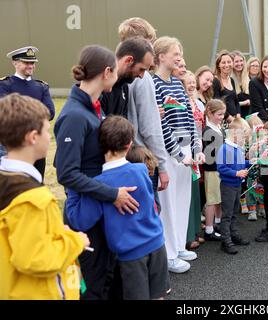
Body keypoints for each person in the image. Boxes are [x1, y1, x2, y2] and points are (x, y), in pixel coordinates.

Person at [54, 45, 139, 300]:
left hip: (100, 206)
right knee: (95, 284)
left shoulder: (93, 107)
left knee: (109, 277)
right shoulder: (75, 116)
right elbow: (66, 173)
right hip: (87, 213)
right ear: (107, 72)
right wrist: (113, 193)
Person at [66, 116, 168, 300]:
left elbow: (79, 220)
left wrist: (74, 185)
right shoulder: (141, 170)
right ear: (129, 144)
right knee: (158, 296)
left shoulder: (99, 186)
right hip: (157, 244)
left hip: (131, 254)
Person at [0, 93, 88, 300]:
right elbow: (35, 258)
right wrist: (75, 241)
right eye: (47, 131)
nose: (50, 137)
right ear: (32, 137)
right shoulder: (34, 198)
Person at [153, 36, 205, 273]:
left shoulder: (177, 83)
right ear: (161, 56)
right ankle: (169, 253)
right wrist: (176, 153)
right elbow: (160, 124)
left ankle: (179, 245)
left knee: (182, 200)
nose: (179, 57)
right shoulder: (154, 83)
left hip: (186, 151)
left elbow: (190, 120)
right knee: (169, 203)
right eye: (175, 53)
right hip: (169, 151)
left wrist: (196, 149)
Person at [119, 17, 170, 213]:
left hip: (124, 157)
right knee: (151, 216)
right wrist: (162, 166)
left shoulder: (118, 72)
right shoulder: (143, 77)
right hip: (143, 159)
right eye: (150, 41)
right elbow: (150, 127)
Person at [0, 46, 55, 177]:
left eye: (32, 63)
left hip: (36, 142)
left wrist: (21, 110)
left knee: (37, 181)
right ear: (15, 62)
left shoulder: (41, 86)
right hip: (11, 143)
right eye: (26, 62)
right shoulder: (5, 85)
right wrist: (37, 111)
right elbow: (6, 113)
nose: (30, 66)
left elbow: (50, 112)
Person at [216, 116, 251, 254]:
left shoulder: (237, 148)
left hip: (236, 185)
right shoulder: (225, 148)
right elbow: (221, 168)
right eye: (244, 137)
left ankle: (233, 234)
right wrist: (237, 173)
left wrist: (251, 161)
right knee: (227, 214)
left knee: (235, 211)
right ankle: (226, 240)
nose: (245, 140)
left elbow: (241, 164)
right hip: (228, 186)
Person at [100, 37, 154, 118]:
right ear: (128, 60)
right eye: (141, 69)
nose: (141, 76)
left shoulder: (124, 86)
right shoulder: (100, 84)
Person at [182, 70, 204, 250]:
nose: (190, 86)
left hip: (197, 150)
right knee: (186, 193)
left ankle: (196, 229)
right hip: (185, 151)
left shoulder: (198, 103)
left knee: (195, 193)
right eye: (186, 82)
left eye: (192, 83)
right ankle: (187, 235)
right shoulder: (181, 104)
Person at [202, 99, 226, 241]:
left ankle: (218, 223)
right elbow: (211, 154)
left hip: (220, 168)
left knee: (218, 198)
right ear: (209, 113)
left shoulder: (218, 127)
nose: (222, 117)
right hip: (212, 169)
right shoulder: (208, 130)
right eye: (219, 114)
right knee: (211, 200)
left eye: (223, 114)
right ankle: (209, 229)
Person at [246, 114, 266, 221]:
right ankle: (252, 210)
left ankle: (262, 208)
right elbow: (246, 156)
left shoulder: (265, 141)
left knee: (262, 188)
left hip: (262, 170)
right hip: (252, 171)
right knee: (251, 189)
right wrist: (253, 149)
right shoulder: (248, 142)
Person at [213, 50, 241, 123]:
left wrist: (238, 115)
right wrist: (229, 118)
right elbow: (217, 105)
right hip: (223, 121)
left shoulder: (231, 80)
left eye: (229, 62)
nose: (227, 65)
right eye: (223, 62)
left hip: (234, 121)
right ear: (218, 65)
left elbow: (236, 101)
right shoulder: (216, 81)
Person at [231, 51, 251, 118]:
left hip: (249, 117)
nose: (239, 63)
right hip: (236, 118)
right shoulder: (229, 80)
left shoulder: (249, 78)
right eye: (236, 61)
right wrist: (244, 103)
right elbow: (229, 103)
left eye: (241, 61)